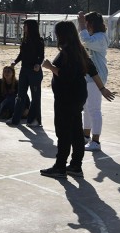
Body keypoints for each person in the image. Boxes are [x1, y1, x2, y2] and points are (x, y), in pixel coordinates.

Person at [39, 21, 91, 178]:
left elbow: (66, 75)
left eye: (57, 33)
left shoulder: (68, 52)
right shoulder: (78, 50)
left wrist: (50, 67)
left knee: (63, 131)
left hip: (68, 97)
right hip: (76, 95)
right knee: (75, 130)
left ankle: (60, 166)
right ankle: (75, 165)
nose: (55, 36)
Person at [79, 11, 110, 151]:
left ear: (91, 24)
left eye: (87, 23)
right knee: (86, 108)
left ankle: (96, 141)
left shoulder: (100, 37)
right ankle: (86, 136)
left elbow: (86, 41)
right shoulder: (94, 36)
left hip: (97, 77)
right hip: (88, 76)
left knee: (94, 109)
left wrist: (80, 24)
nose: (85, 26)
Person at [8, 19, 45, 127]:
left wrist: (38, 64)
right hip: (24, 71)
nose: (23, 28)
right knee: (20, 96)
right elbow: (21, 54)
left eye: (25, 26)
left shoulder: (39, 40)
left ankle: (35, 120)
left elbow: (41, 56)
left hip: (35, 72)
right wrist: (15, 62)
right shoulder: (24, 40)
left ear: (31, 27)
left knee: (35, 97)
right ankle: (15, 119)